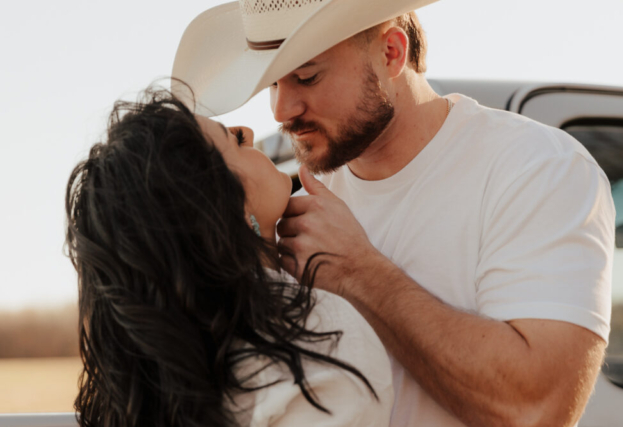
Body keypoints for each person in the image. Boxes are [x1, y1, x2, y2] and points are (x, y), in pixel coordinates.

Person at [172, 1, 615, 426]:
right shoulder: (285, 213)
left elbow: (537, 411)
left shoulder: (535, 167)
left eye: (306, 77)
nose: (280, 110)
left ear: (391, 52)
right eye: (272, 83)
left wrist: (361, 274)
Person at [64, 86, 394, 427]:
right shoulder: (324, 339)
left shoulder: (153, 377)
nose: (249, 131)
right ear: (225, 207)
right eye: (234, 141)